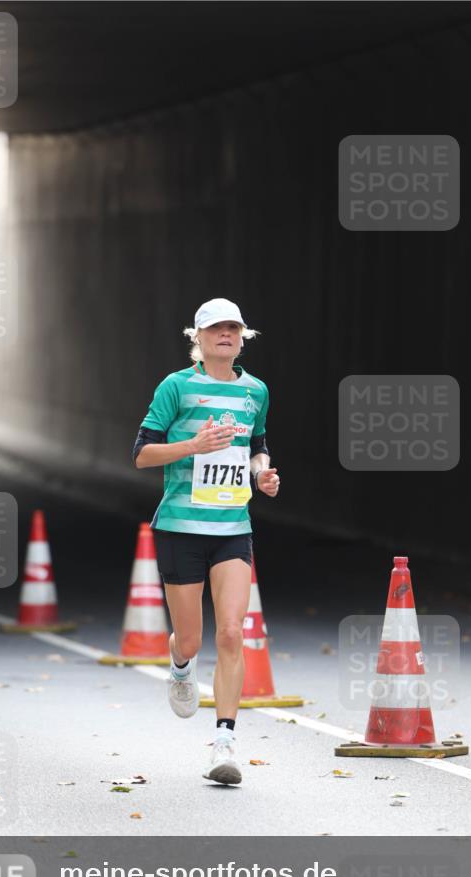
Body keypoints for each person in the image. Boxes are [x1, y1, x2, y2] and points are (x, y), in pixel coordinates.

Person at [133, 298, 280, 785]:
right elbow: (142, 455)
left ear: (243, 337)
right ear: (197, 337)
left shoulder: (255, 391)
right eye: (216, 328)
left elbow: (256, 447)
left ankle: (225, 742)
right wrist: (193, 446)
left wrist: (263, 475)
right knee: (192, 637)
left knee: (232, 633)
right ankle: (180, 666)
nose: (226, 335)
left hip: (232, 528)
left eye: (234, 328)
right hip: (180, 525)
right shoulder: (176, 387)